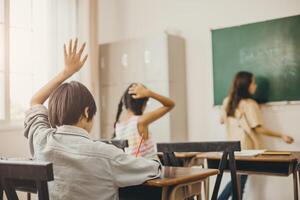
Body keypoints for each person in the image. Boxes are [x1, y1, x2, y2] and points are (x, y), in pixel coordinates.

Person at [24, 38, 161, 200]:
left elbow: (35, 102)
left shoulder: (42, 140)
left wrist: (66, 72)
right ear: (87, 112)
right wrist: (154, 158)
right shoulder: (107, 154)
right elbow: (153, 169)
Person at [218, 71, 294, 200]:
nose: (255, 86)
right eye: (253, 83)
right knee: (238, 183)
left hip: (231, 149)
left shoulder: (227, 102)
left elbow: (221, 120)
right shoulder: (249, 104)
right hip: (246, 150)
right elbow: (258, 129)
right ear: (245, 85)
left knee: (237, 182)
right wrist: (281, 136)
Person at [114, 83, 175, 158]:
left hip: (130, 167)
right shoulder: (141, 121)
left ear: (126, 102)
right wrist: (149, 93)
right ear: (144, 104)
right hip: (147, 168)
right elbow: (170, 104)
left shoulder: (118, 125)